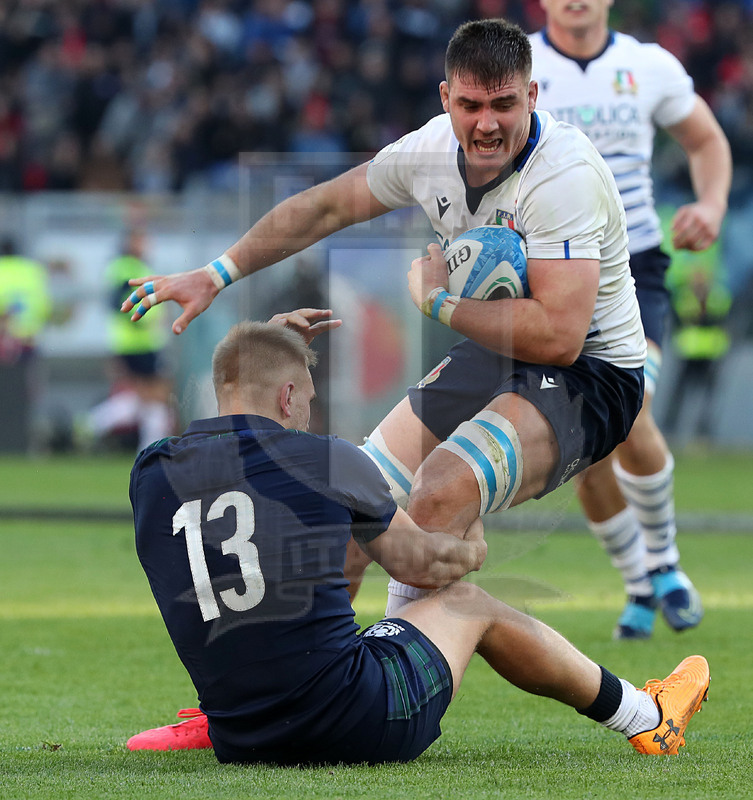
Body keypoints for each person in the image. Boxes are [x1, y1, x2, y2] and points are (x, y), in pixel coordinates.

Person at [122, 19, 646, 617]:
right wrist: (216, 273)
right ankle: (312, 693)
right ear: (446, 98)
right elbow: (323, 207)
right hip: (494, 346)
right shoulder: (427, 153)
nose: (487, 124)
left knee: (437, 496)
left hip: (592, 373)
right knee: (350, 514)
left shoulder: (563, 175)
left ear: (532, 96)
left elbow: (559, 336)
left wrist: (439, 303)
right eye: (470, 105)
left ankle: (397, 694)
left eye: (504, 104)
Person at [126, 310, 709, 761]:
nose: (308, 411)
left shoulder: (152, 471)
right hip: (348, 723)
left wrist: (261, 346)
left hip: (242, 734)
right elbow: (422, 568)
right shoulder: (327, 461)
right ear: (286, 396)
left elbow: (241, 406)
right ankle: (646, 715)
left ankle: (204, 718)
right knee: (467, 604)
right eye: (305, 396)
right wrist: (471, 548)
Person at [530, 0, 732, 638]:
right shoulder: (521, 66)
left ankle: (666, 565)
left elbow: (705, 139)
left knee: (629, 405)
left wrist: (713, 204)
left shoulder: (647, 66)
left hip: (632, 263)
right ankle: (642, 585)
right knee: (586, 447)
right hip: (551, 264)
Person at [85, 228, 174, 452]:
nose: (146, 244)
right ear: (130, 242)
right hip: (138, 343)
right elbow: (118, 302)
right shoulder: (126, 267)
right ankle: (149, 449)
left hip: (139, 343)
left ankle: (90, 426)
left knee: (142, 398)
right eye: (141, 239)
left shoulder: (134, 266)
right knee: (156, 396)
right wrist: (143, 322)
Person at [0, 237, 51, 453]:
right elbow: (44, 307)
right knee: (28, 393)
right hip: (29, 341)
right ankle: (29, 442)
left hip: (4, 342)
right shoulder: (32, 271)